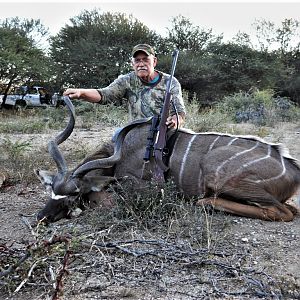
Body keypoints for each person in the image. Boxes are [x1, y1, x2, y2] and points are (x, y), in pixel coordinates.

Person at [63, 43, 186, 129]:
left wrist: (175, 120)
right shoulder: (126, 80)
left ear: (154, 61)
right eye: (137, 60)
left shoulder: (170, 82)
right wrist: (81, 93)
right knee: (115, 141)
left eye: (145, 59)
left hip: (165, 132)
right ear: (132, 64)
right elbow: (105, 95)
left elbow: (179, 112)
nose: (141, 64)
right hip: (136, 132)